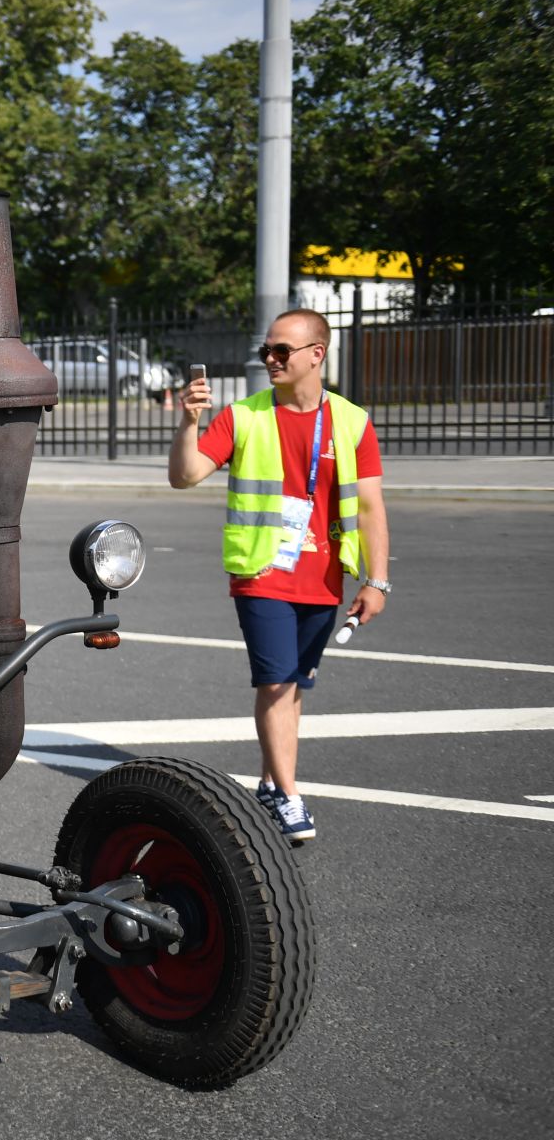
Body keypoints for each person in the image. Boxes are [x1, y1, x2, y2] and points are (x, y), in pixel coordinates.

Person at [168, 308, 390, 844]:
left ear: (317, 354)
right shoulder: (243, 416)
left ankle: (270, 782)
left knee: (294, 685)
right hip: (261, 570)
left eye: (280, 351)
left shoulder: (352, 421)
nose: (269, 359)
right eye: (265, 350)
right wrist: (190, 421)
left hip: (324, 575)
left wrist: (377, 582)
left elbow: (372, 508)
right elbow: (184, 476)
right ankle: (289, 797)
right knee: (274, 680)